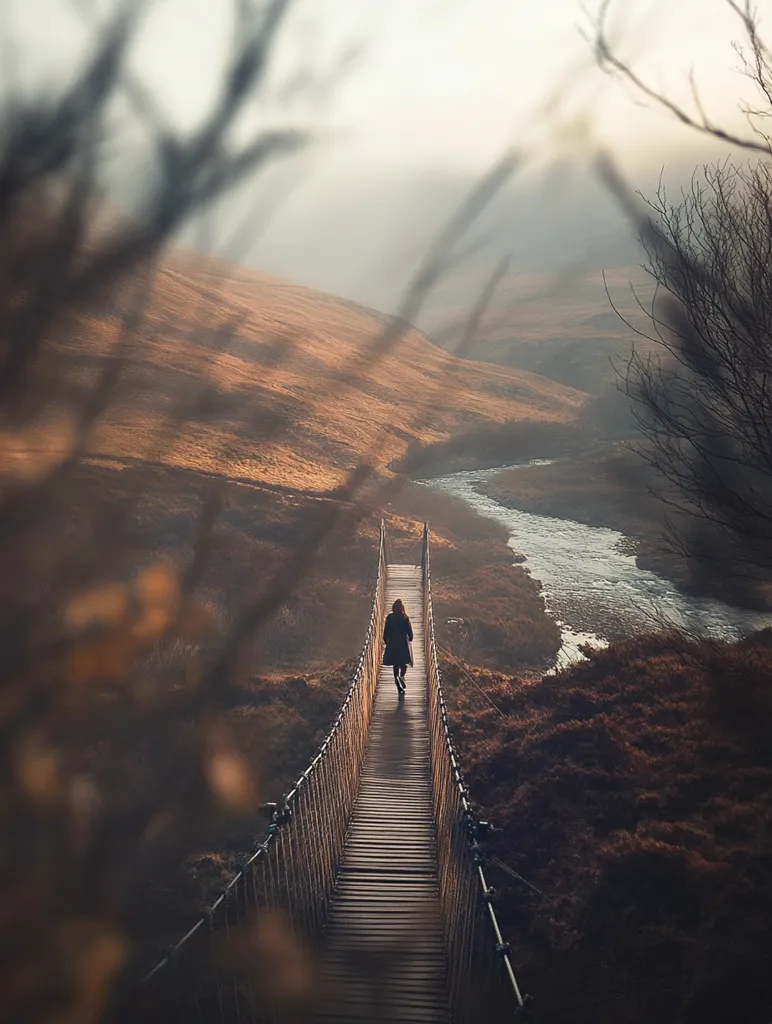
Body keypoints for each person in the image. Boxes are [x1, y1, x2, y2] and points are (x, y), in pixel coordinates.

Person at [383, 598, 413, 693]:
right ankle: (402, 676)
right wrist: (410, 638)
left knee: (395, 666)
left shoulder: (389, 618)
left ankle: (399, 687)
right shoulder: (405, 617)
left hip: (393, 644)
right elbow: (409, 632)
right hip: (403, 644)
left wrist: (386, 641)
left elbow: (385, 632)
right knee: (404, 664)